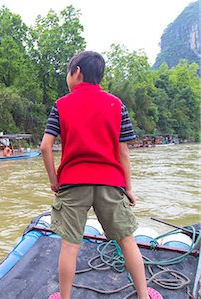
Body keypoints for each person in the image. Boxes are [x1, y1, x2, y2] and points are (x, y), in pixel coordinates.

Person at [41, 51, 161, 299]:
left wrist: (54, 181)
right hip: (111, 182)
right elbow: (123, 153)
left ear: (76, 73)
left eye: (68, 72)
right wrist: (128, 188)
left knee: (70, 245)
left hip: (73, 183)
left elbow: (45, 147)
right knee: (127, 241)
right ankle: (143, 295)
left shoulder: (61, 105)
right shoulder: (116, 105)